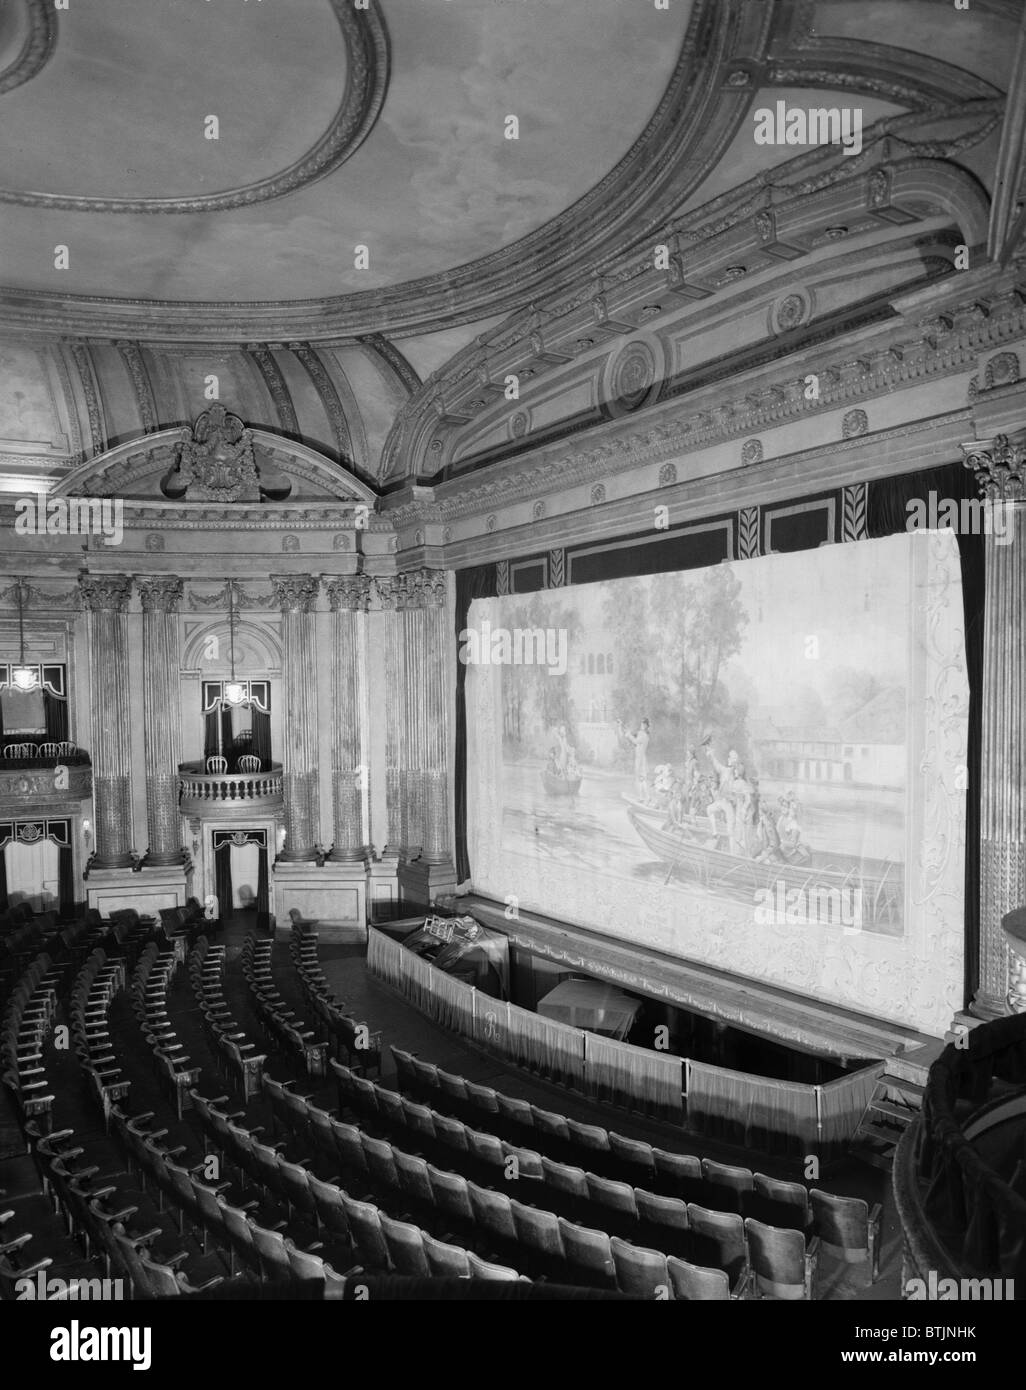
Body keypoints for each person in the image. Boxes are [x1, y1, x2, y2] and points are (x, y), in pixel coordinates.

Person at [618, 717, 651, 802]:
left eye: (644, 724)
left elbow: (635, 741)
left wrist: (629, 735)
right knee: (641, 778)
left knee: (640, 778)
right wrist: (623, 727)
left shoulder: (644, 735)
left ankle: (643, 797)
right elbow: (632, 736)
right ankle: (645, 797)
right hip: (639, 758)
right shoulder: (641, 733)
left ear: (647, 726)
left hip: (641, 759)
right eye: (642, 724)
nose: (642, 725)